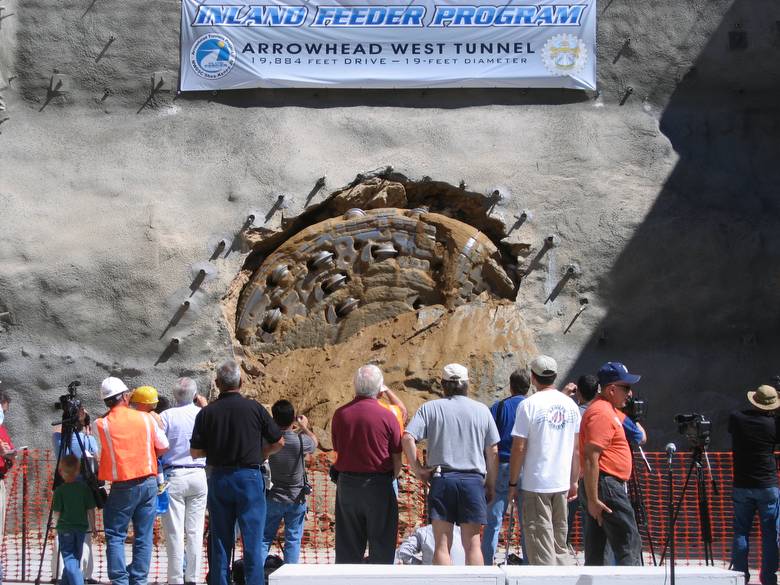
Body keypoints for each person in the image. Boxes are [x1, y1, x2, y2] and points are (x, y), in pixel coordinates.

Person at [190, 360, 284, 585]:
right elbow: (279, 441)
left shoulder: (207, 412)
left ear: (217, 383)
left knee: (221, 539)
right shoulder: (255, 408)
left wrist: (215, 449)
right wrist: (263, 454)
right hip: (250, 477)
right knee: (252, 539)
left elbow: (195, 452)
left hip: (220, 477)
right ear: (241, 382)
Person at [402, 363, 500, 566]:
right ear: (466, 385)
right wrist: (490, 483)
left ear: (443, 385)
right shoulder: (481, 410)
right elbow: (493, 451)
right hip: (473, 480)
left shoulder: (430, 408)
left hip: (443, 479)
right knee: (473, 544)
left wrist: (418, 469)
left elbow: (408, 438)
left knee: (442, 545)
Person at [95, 377, 169, 585]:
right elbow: (163, 446)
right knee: (143, 536)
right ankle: (139, 580)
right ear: (126, 396)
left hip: (123, 486)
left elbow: (100, 426)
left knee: (115, 534)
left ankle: (120, 581)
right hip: (148, 482)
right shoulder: (146, 419)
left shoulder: (101, 424)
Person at [508, 356, 580, 566]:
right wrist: (574, 480)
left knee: (540, 547)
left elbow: (519, 447)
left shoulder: (528, 405)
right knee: (559, 545)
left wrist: (513, 483)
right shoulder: (571, 405)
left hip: (536, 484)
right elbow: (576, 449)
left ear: (532, 377)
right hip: (561, 483)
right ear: (555, 376)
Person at [331, 365, 402, 564]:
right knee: (382, 545)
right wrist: (392, 477)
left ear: (355, 386)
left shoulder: (340, 414)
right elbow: (397, 458)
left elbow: (338, 449)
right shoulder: (389, 416)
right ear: (380, 389)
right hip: (379, 485)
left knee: (348, 547)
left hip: (347, 485)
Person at [579, 362, 642, 566]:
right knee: (628, 542)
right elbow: (591, 457)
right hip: (606, 485)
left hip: (603, 485)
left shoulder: (608, 410)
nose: (630, 393)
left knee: (598, 551)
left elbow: (640, 436)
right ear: (612, 389)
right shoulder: (602, 413)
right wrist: (593, 499)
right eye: (626, 388)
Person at [728, 384, 780, 585]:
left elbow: (735, 415)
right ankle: (768, 578)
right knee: (770, 534)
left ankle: (740, 576)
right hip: (767, 485)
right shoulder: (773, 425)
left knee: (741, 531)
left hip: (742, 484)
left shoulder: (737, 419)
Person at [159, 378, 208, 585]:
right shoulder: (202, 414)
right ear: (195, 395)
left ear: (174, 395)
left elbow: (159, 445)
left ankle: (176, 578)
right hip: (198, 473)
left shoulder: (166, 416)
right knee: (195, 531)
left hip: (174, 474)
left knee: (175, 532)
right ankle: (193, 578)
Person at [482, 368, 530, 565]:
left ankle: (486, 564)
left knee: (493, 521)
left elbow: (488, 439)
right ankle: (529, 564)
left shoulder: (499, 407)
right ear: (528, 387)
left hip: (502, 466)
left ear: (510, 386)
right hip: (526, 468)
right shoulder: (531, 406)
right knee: (527, 522)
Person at [262, 400, 318, 564]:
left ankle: (255, 577)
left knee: (264, 539)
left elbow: (281, 436)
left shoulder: (269, 441)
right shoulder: (300, 442)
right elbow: (314, 441)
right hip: (296, 498)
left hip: (274, 496)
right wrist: (304, 427)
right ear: (293, 418)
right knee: (293, 540)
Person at [51, 407, 99, 583]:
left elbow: (55, 433)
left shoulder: (59, 440)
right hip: (84, 488)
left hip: (64, 490)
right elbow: (95, 456)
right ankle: (83, 573)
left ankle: (63, 574)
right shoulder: (89, 440)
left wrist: (68, 422)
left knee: (65, 546)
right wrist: (86, 429)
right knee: (82, 543)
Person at [52, 454, 97, 585]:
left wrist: (56, 526)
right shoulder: (84, 489)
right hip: (81, 529)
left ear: (61, 471)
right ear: (78, 470)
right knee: (75, 558)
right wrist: (93, 526)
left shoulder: (60, 491)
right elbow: (90, 509)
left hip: (65, 529)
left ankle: (78, 582)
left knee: (69, 559)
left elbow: (57, 512)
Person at [396, 524, 465, 565]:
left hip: (433, 578)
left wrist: (421, 566)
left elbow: (403, 552)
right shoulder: (463, 532)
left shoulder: (424, 531)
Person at [0, 387, 16, 552]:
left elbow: (9, 451)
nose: (4, 415)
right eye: (3, 411)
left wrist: (10, 454)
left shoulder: (2, 429)